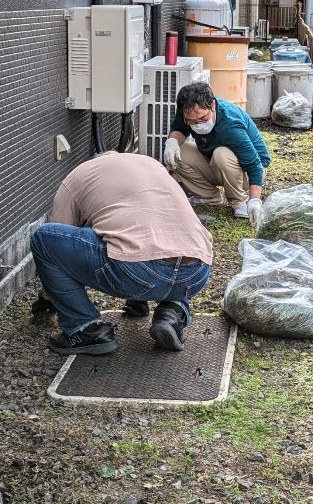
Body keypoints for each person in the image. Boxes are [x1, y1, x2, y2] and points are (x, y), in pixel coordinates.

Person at [30, 152, 213, 356]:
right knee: (165, 242)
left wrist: (48, 298)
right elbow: (153, 228)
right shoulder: (150, 164)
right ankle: (172, 312)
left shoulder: (77, 177)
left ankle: (84, 328)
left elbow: (57, 250)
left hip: (137, 271)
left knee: (44, 238)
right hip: (197, 271)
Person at [163, 82, 271, 226]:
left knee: (221, 154)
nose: (198, 124)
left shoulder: (230, 124)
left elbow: (254, 165)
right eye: (191, 121)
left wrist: (255, 200)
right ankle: (208, 196)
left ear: (213, 106)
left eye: (202, 119)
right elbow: (179, 129)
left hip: (247, 171)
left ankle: (240, 202)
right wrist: (172, 142)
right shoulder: (187, 109)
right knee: (179, 152)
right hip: (214, 162)